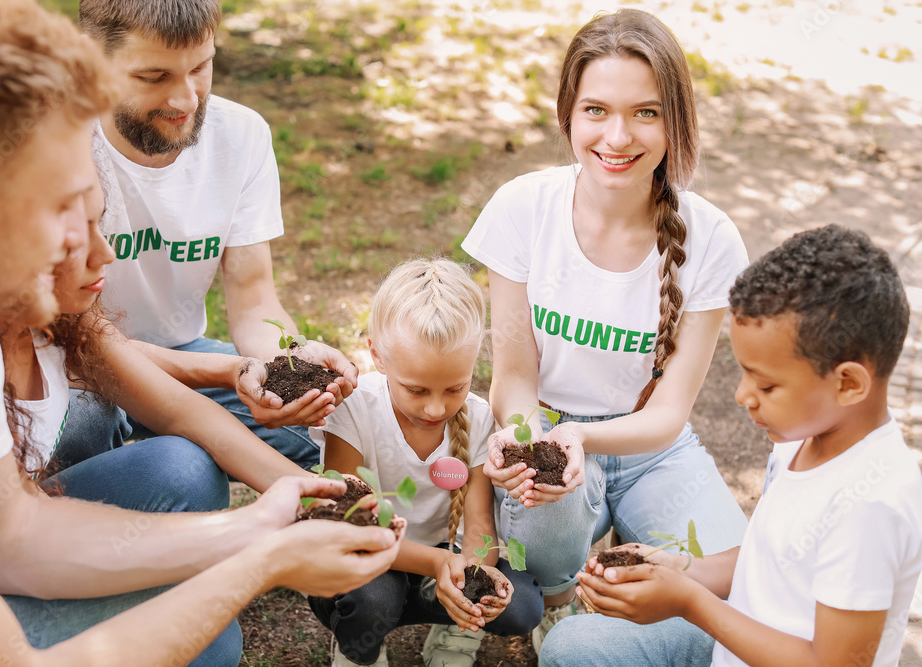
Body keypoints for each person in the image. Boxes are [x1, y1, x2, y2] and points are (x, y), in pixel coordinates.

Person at [0, 2, 400, 664]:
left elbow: (12, 537)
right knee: (211, 637)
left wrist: (261, 525)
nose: (99, 253)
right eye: (67, 212)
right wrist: (261, 558)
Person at [461, 8, 749, 652]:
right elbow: (513, 379)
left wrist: (584, 437)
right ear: (568, 113)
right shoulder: (522, 208)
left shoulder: (712, 238)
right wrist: (531, 437)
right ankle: (561, 601)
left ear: (676, 122)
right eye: (596, 110)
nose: (617, 136)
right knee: (550, 490)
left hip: (653, 451)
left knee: (744, 585)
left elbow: (669, 414)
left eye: (646, 112)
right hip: (551, 432)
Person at [540, 224, 922, 667]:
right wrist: (684, 570)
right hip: (734, 646)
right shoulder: (801, 436)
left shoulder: (871, 505)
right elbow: (773, 560)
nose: (742, 395)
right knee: (571, 647)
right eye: (744, 374)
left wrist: (691, 603)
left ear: (849, 383)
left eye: (768, 385)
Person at [55, 0, 358, 472]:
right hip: (79, 370)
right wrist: (230, 373)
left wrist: (290, 366)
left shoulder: (241, 136)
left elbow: (254, 300)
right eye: (154, 78)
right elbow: (75, 343)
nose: (186, 100)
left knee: (342, 418)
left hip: (183, 353)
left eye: (200, 67)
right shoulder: (56, 142)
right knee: (89, 432)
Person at [0, 171, 308, 493]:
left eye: (98, 224)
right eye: (73, 238)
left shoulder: (67, 323)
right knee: (108, 426)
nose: (107, 254)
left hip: (24, 518)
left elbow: (183, 410)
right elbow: (11, 526)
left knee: (187, 465)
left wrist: (317, 493)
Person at [308, 259, 543, 667]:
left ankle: (457, 628)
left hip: (442, 568)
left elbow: (479, 525)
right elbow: (349, 526)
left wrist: (470, 581)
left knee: (521, 603)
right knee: (371, 597)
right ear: (377, 356)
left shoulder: (480, 417)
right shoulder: (354, 409)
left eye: (455, 387)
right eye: (415, 390)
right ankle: (359, 648)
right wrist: (439, 564)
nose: (436, 408)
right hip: (373, 564)